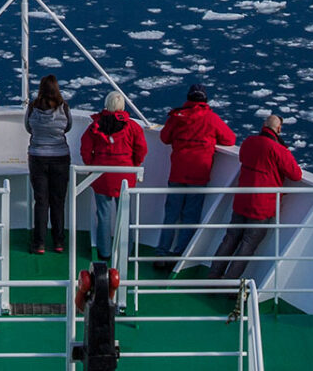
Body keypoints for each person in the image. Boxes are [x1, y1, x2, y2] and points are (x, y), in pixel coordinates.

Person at [209, 113, 301, 288]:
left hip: (242, 200)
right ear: (279, 129)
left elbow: (244, 158)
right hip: (262, 206)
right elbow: (295, 175)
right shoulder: (278, 150)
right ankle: (228, 284)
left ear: (264, 125)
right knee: (247, 245)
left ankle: (213, 276)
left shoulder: (249, 142)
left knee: (230, 239)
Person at [154, 83, 234, 269]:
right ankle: (179, 255)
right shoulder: (211, 119)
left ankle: (161, 253)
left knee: (171, 214)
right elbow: (229, 139)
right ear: (205, 99)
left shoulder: (177, 117)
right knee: (190, 215)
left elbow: (165, 138)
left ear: (189, 98)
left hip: (178, 172)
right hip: (199, 174)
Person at [79, 90, 147, 265]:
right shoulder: (132, 127)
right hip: (125, 175)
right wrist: (135, 165)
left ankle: (104, 251)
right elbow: (141, 149)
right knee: (125, 215)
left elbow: (85, 148)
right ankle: (126, 251)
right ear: (122, 106)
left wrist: (91, 165)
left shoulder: (95, 126)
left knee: (103, 214)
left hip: (102, 176)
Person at [25, 74, 73, 255]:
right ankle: (59, 242)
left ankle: (39, 243)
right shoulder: (64, 108)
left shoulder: (33, 108)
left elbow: (28, 128)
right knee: (58, 201)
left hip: (37, 158)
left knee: (41, 201)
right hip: (60, 157)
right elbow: (68, 127)